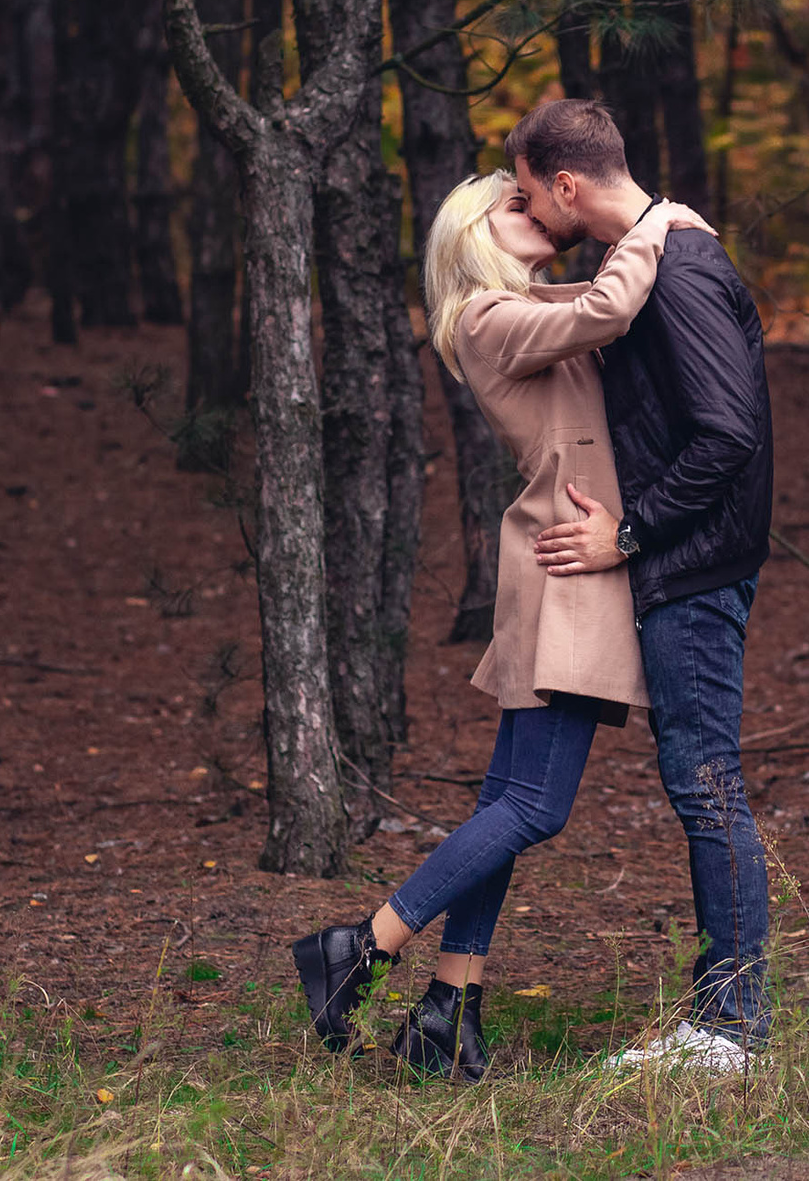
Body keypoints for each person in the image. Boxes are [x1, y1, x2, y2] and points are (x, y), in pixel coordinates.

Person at [289, 174, 713, 1081]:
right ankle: (360, 947)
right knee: (533, 807)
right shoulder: (484, 317)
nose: (539, 212)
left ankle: (449, 1007)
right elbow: (608, 306)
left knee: (506, 801)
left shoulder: (522, 306)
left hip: (568, 559)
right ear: (474, 234)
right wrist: (658, 219)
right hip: (567, 570)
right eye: (516, 205)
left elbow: (601, 309)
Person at [513, 98, 775, 1073]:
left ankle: (729, 1032)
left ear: (568, 183)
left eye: (535, 194)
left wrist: (628, 532)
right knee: (700, 782)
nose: (534, 213)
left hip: (693, 568)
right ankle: (724, 1025)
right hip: (684, 562)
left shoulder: (681, 278)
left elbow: (726, 435)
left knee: (707, 786)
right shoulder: (656, 263)